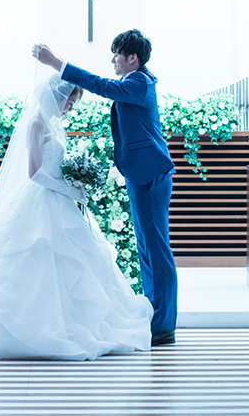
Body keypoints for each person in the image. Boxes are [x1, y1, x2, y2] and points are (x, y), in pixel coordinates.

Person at [0, 72, 152, 360]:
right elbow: (34, 173)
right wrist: (69, 189)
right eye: (69, 102)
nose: (70, 108)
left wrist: (73, 182)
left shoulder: (53, 123)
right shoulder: (36, 122)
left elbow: (55, 165)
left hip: (59, 199)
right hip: (40, 198)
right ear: (58, 96)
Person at [33, 29, 178, 347]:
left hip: (150, 175)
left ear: (132, 58)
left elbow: (100, 85)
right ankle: (155, 316)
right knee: (146, 249)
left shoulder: (138, 82)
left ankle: (164, 325)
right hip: (141, 174)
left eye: (116, 55)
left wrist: (56, 63)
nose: (113, 60)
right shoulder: (136, 82)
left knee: (157, 250)